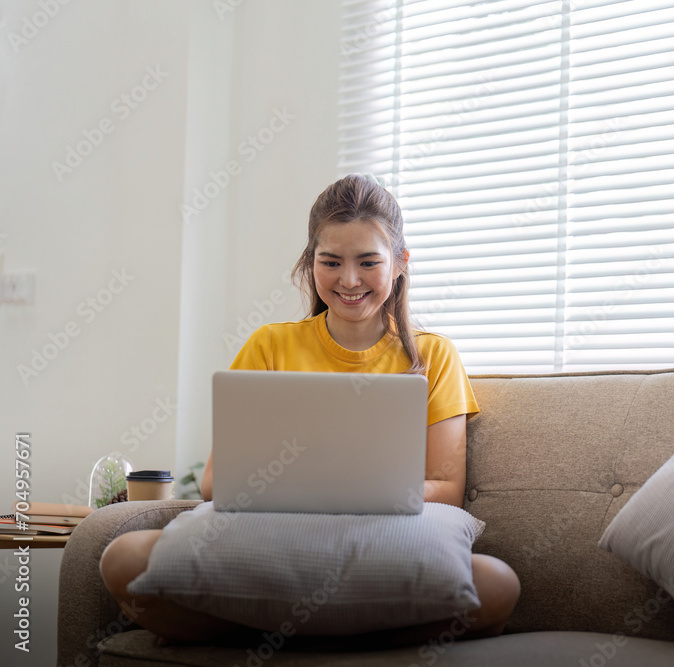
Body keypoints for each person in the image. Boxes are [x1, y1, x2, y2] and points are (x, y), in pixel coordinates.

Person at [100, 173, 521, 645]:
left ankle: (281, 638)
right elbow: (216, 483)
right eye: (331, 261)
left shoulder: (434, 356)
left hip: (379, 544)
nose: (348, 280)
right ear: (309, 262)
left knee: (497, 584)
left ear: (401, 263)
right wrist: (321, 485)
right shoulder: (269, 346)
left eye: (368, 262)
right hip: (276, 541)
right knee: (123, 558)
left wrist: (344, 489)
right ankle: (332, 639)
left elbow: (446, 490)